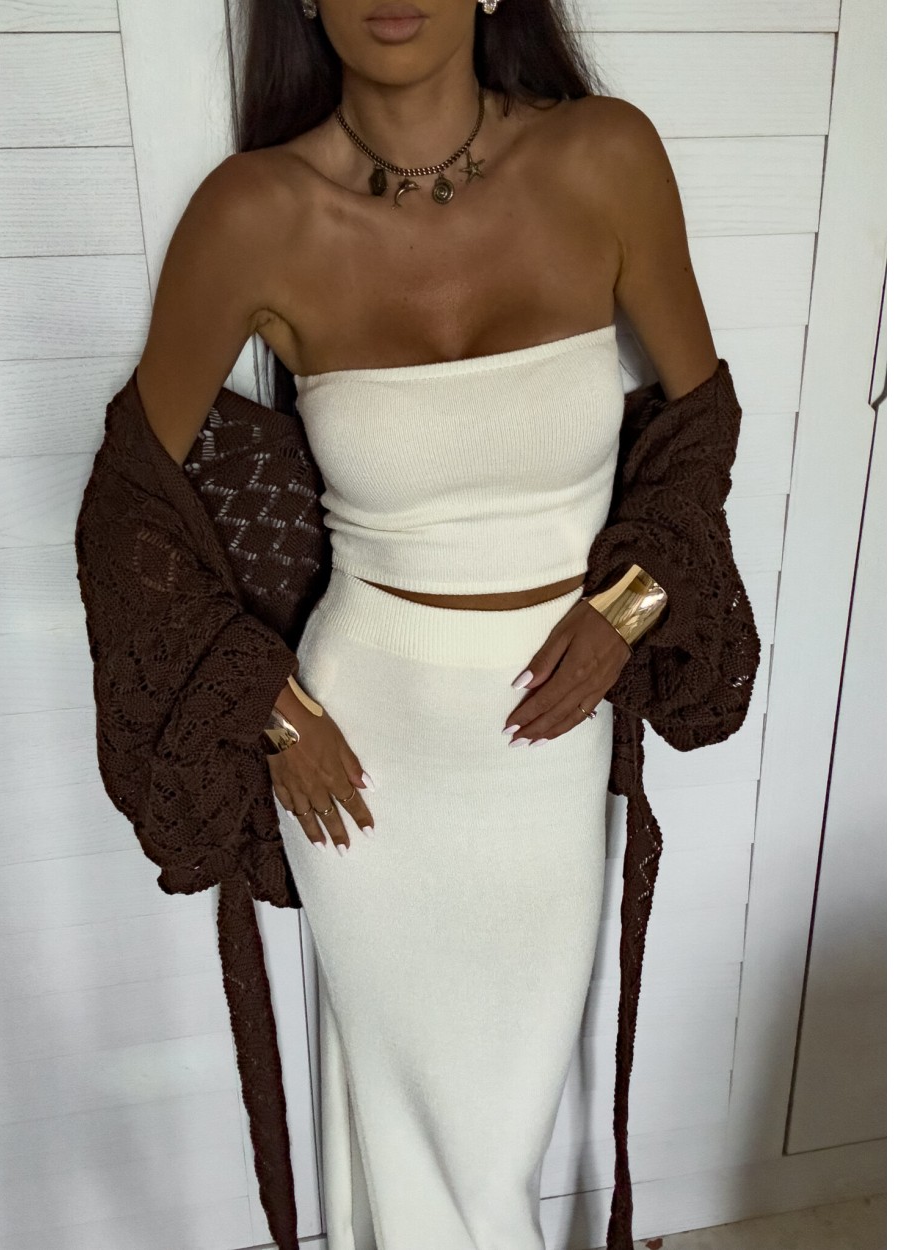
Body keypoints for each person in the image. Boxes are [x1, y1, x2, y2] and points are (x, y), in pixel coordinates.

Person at [131, 1, 722, 1245]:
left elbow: (698, 423)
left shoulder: (605, 157)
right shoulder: (253, 214)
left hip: (544, 745)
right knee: (415, 1138)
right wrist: (264, 701)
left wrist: (627, 609)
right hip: (363, 751)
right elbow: (131, 503)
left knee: (491, 1138)